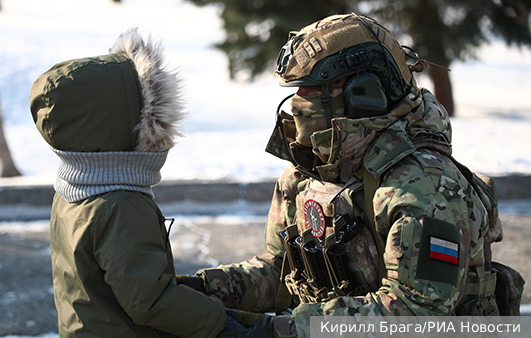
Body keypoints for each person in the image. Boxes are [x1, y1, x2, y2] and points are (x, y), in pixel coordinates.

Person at [178, 13, 523, 336]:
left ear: (364, 96)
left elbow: (414, 312)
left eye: (311, 89)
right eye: (296, 90)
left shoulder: (424, 185)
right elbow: (282, 272)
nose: (297, 103)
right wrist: (206, 288)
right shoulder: (304, 174)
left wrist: (284, 330)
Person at [29, 28, 234, 337]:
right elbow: (151, 302)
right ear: (122, 123)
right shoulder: (120, 204)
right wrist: (229, 323)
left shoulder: (75, 187)